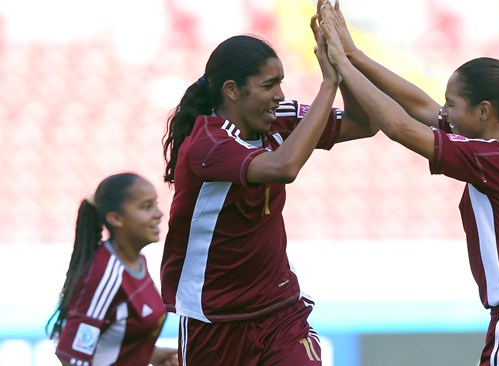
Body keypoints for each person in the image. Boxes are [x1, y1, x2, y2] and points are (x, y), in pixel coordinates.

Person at [317, 1, 499, 365]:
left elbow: (401, 127)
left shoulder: (488, 160)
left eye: (451, 104)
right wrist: (355, 54)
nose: (443, 112)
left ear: (483, 111)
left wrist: (340, 67)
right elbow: (420, 107)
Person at [159, 11, 376, 366]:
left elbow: (362, 122)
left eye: (281, 83)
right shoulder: (208, 143)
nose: (279, 95)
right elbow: (283, 168)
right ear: (232, 90)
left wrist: (344, 59)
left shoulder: (279, 118)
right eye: (268, 85)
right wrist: (327, 84)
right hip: (216, 318)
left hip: (280, 311)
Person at [47, 172, 178, 366]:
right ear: (116, 218)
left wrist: (152, 355)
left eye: (156, 204)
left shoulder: (136, 260)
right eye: (146, 207)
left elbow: (116, 337)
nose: (158, 214)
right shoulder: (105, 275)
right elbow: (72, 357)